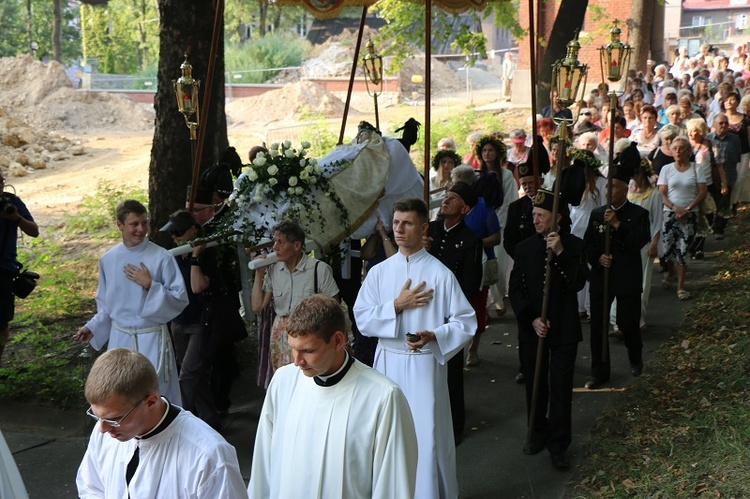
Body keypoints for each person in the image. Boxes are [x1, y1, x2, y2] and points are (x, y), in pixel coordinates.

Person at [353, 197, 476, 499]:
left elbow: (465, 321)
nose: (399, 229)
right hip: (388, 364)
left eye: (407, 223)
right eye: (395, 223)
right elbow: (362, 317)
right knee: (388, 435)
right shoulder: (379, 273)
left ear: (422, 227)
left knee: (426, 435)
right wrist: (396, 305)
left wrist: (435, 335)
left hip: (424, 366)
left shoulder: (440, 274)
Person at [248, 294, 418, 499]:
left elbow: (393, 485)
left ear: (337, 340)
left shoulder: (382, 397)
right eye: (293, 349)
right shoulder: (283, 382)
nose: (297, 361)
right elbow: (263, 464)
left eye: (308, 350)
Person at [76, 348, 245, 497]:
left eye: (114, 419)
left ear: (150, 402)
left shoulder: (208, 456)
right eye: (97, 416)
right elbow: (91, 487)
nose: (102, 429)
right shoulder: (105, 428)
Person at [73, 200, 188, 404]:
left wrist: (150, 285)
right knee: (122, 394)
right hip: (121, 340)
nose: (141, 229)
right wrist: (93, 326)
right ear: (120, 225)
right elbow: (108, 305)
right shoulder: (108, 260)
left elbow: (179, 299)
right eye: (134, 224)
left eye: (144, 223)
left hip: (151, 337)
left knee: (154, 394)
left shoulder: (161, 257)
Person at [508, 188, 585, 471]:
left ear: (558, 218)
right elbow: (516, 289)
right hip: (533, 329)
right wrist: (531, 319)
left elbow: (578, 282)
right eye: (534, 215)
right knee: (535, 382)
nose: (535, 220)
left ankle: (558, 444)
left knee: (561, 388)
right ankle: (537, 433)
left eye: (541, 215)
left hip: (563, 328)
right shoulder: (525, 247)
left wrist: (561, 252)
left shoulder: (574, 245)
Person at [584, 143, 651, 389]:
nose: (608, 191)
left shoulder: (638, 214)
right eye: (607, 186)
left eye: (614, 186)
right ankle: (599, 372)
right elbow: (588, 245)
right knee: (598, 327)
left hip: (626, 276)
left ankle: (635, 357)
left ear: (625, 189)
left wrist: (617, 226)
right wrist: (598, 257)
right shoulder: (596, 214)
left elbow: (637, 242)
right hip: (602, 275)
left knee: (627, 323)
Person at [426, 183, 483, 444]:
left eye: (454, 197)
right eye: (446, 195)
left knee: (451, 371)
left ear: (465, 208)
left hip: (448, 313)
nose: (446, 199)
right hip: (422, 308)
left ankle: (454, 425)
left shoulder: (470, 240)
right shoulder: (429, 230)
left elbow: (470, 283)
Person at [252, 221, 339, 376]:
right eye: (274, 242)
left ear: (297, 245)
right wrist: (259, 273)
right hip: (281, 333)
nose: (275, 247)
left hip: (309, 333)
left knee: (310, 376)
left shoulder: (318, 269)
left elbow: (335, 308)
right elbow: (257, 306)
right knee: (285, 378)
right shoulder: (274, 270)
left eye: (281, 242)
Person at [160, 210, 220, 430]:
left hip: (200, 322)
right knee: (195, 374)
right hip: (179, 322)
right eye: (172, 233)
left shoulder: (207, 254)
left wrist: (195, 259)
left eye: (179, 232)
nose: (175, 237)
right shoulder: (174, 255)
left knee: (188, 374)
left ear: (193, 230)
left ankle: (175, 424)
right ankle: (210, 420)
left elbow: (197, 287)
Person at [658, 136, 708, 300]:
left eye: (681, 148)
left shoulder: (696, 168)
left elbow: (702, 192)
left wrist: (687, 208)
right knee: (667, 249)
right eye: (675, 148)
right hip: (670, 213)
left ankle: (681, 286)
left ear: (688, 151)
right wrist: (674, 208)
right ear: (671, 152)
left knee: (684, 249)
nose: (678, 151)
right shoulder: (666, 169)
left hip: (689, 215)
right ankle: (670, 272)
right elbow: (662, 193)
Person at [0, 170, 39, 364]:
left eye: (0, 182)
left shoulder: (11, 202)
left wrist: (16, 218)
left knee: (2, 325)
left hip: (4, 271)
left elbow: (34, 231)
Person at [706, 113, 738, 238]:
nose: (724, 125)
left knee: (724, 202)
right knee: (712, 201)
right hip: (712, 176)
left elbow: (737, 157)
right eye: (721, 123)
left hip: (728, 174)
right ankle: (709, 225)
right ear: (714, 125)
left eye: (726, 123)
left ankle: (719, 229)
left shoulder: (734, 139)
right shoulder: (708, 139)